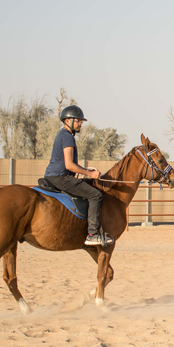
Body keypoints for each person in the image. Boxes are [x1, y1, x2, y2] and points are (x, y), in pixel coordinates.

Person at [43, 105, 108, 246]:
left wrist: (84, 169)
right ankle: (92, 234)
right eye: (78, 121)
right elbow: (69, 165)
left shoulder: (63, 135)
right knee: (95, 195)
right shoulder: (67, 137)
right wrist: (90, 173)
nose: (80, 124)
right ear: (68, 121)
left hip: (54, 175)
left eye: (81, 121)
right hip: (61, 176)